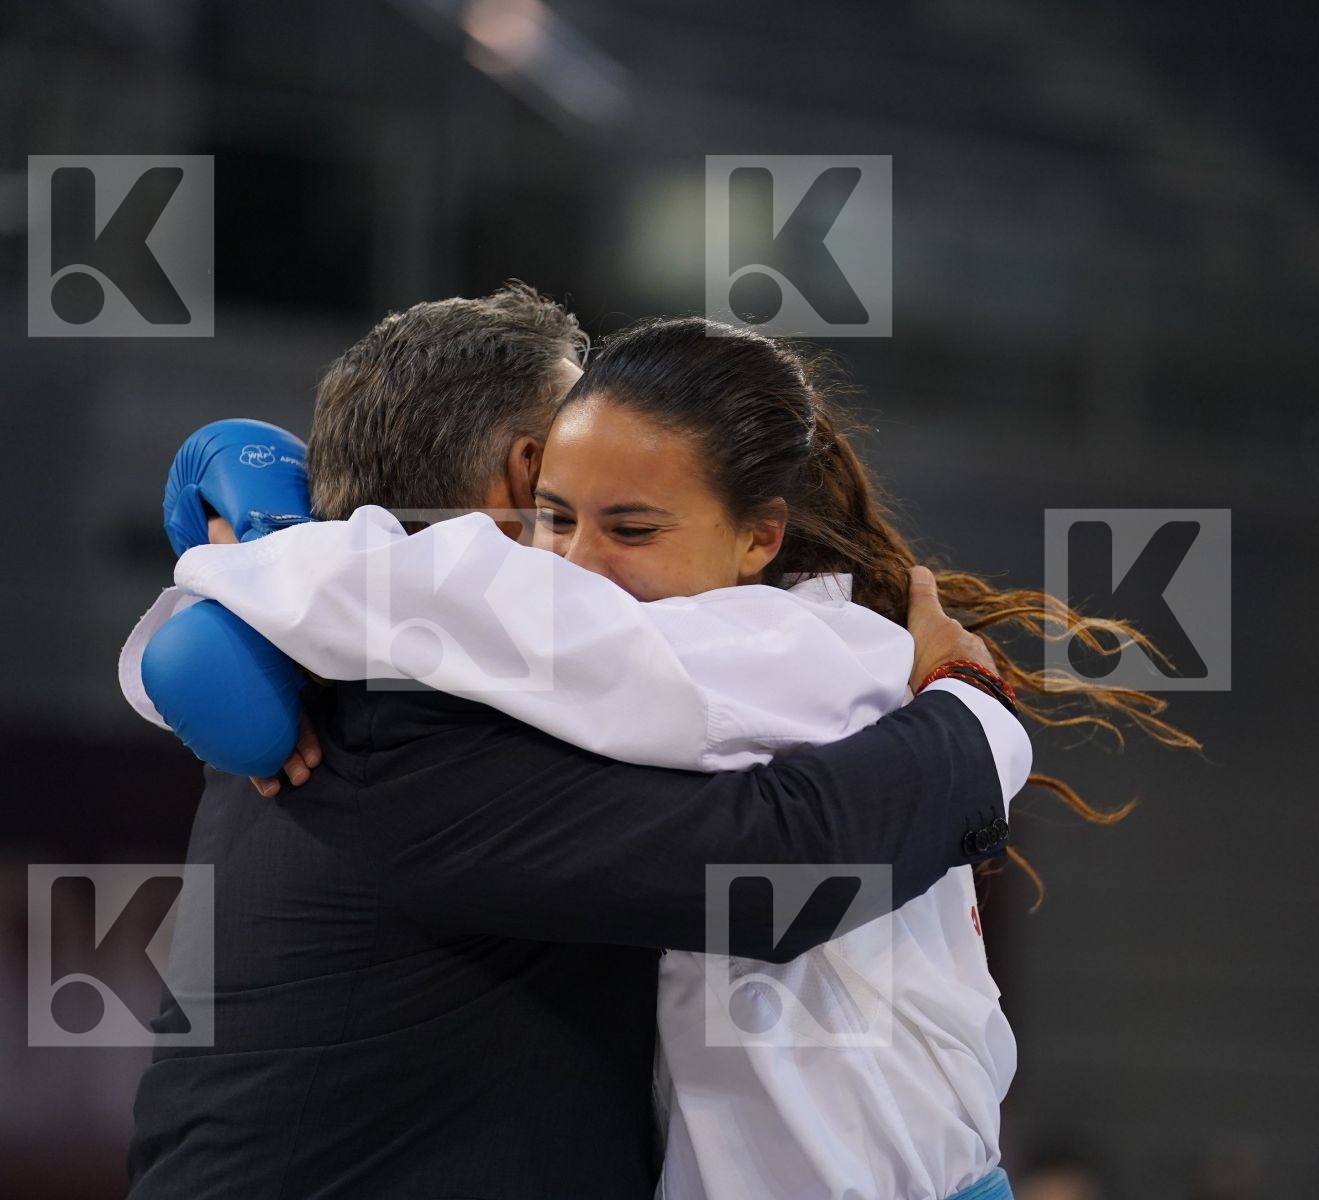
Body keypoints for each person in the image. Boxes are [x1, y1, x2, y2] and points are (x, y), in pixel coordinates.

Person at [135, 314, 1192, 1199]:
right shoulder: (416, 713)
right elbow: (772, 866)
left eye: (630, 519)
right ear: (522, 470)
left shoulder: (763, 653)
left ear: (758, 536)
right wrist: (972, 716)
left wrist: (245, 537)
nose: (583, 561)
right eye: (558, 500)